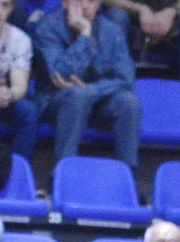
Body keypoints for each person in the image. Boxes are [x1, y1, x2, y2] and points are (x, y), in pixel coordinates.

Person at [33, 0, 141, 170]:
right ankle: (63, 171)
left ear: (99, 4)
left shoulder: (112, 31)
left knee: (129, 102)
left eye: (90, 1)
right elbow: (61, 74)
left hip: (98, 101)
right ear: (65, 2)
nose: (84, 5)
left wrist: (91, 90)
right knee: (77, 96)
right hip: (55, 101)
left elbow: (125, 80)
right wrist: (85, 35)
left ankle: (128, 174)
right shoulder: (47, 27)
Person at [0, 0, 36, 160]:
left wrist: (8, 95)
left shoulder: (20, 40)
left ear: (11, 9)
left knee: (28, 111)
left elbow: (20, 88)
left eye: (5, 5)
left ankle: (17, 168)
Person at [103, 0, 180, 85]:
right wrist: (140, 9)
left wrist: (171, 12)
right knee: (117, 15)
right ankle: (116, 86)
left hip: (171, 23)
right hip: (132, 21)